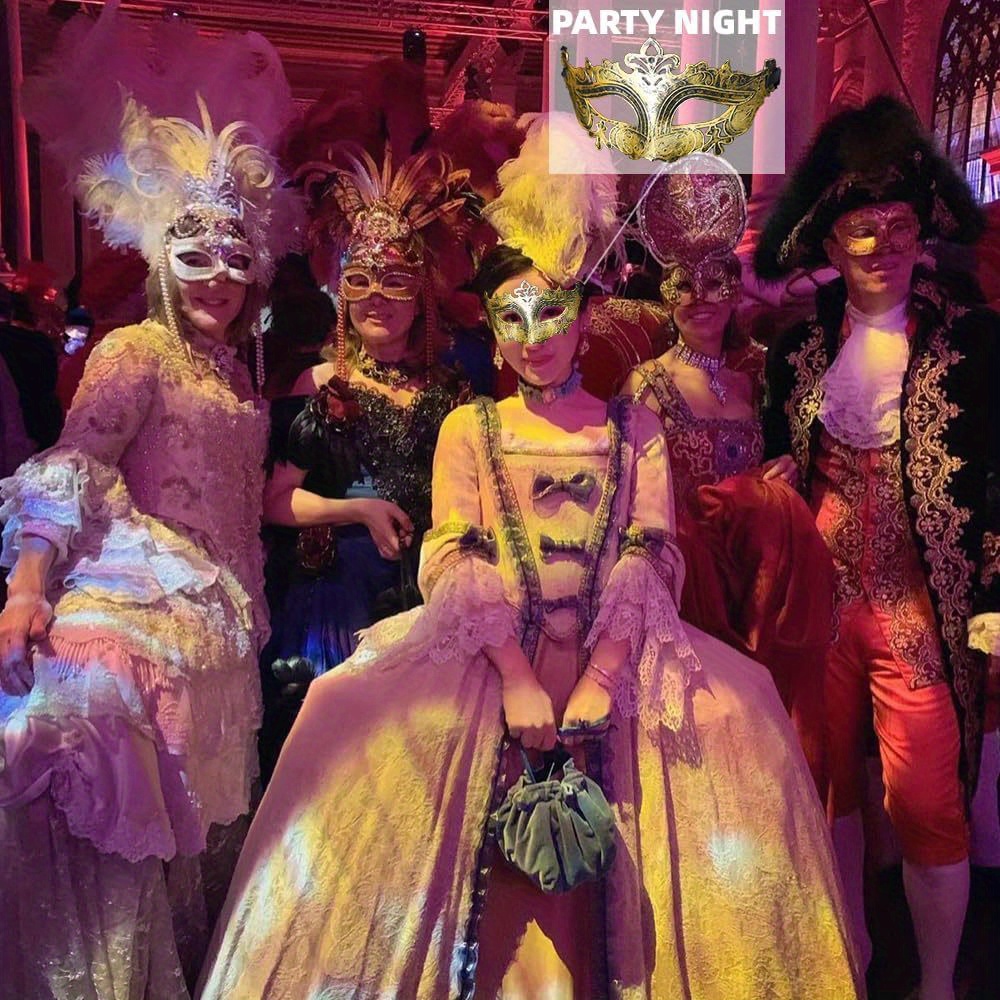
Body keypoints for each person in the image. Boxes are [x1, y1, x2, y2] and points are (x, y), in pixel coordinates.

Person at [197, 117, 860, 1000]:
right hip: (486, 661)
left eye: (552, 309)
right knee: (336, 712)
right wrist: (514, 674)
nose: (534, 331)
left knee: (751, 722)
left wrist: (602, 674)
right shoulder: (470, 425)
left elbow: (650, 553)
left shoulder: (639, 426)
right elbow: (454, 552)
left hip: (619, 669)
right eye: (513, 315)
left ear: (585, 319)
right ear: (497, 335)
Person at [0, 95, 299, 998]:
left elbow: (248, 499)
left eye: (235, 261)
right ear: (164, 263)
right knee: (118, 808)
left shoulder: (235, 369)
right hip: (147, 612)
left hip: (225, 634)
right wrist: (27, 583)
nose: (217, 278)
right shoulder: (135, 349)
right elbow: (76, 462)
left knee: (197, 842)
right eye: (196, 256)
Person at [756, 95, 1000, 1000]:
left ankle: (937, 984)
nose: (883, 245)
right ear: (829, 245)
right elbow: (780, 456)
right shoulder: (797, 351)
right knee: (824, 795)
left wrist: (994, 595)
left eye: (900, 225)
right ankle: (844, 960)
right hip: (819, 611)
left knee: (933, 804)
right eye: (863, 228)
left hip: (920, 608)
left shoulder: (972, 343)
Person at [621, 154, 833, 791]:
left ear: (735, 285)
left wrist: (779, 476)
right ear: (662, 289)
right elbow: (638, 495)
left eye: (715, 281)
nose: (698, 300)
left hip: (756, 579)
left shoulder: (751, 378)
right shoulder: (647, 383)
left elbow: (765, 464)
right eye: (681, 284)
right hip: (690, 587)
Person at [257, 147, 471, 776]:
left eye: (396, 281)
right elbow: (277, 500)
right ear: (342, 290)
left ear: (423, 294)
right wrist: (361, 509)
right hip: (339, 595)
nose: (377, 298)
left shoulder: (453, 391)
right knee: (341, 766)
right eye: (361, 280)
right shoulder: (318, 382)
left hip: (431, 589)